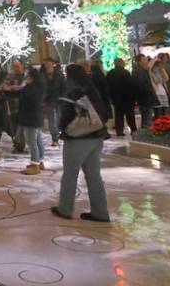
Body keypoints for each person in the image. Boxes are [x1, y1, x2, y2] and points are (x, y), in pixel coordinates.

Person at [52, 63, 112, 222]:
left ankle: (65, 209)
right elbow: (105, 112)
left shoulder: (72, 90)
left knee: (70, 174)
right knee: (94, 176)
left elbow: (65, 115)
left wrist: (62, 129)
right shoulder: (92, 88)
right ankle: (100, 212)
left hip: (78, 138)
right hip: (97, 136)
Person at [18, 66, 47, 174]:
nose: (26, 77)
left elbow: (22, 94)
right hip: (37, 116)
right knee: (38, 140)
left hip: (30, 117)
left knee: (32, 141)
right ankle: (40, 161)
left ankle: (35, 164)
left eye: (27, 75)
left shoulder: (31, 88)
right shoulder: (39, 86)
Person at [0, 60, 27, 153]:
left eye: (18, 66)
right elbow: (3, 86)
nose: (16, 68)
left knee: (23, 127)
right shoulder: (10, 76)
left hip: (25, 105)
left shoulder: (27, 76)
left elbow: (25, 86)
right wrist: (12, 88)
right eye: (15, 66)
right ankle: (18, 145)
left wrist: (16, 88)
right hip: (13, 105)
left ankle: (21, 144)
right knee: (14, 126)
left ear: (22, 66)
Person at [106, 58, 136, 137]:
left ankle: (119, 131)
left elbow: (108, 86)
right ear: (121, 63)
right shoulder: (126, 72)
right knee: (130, 115)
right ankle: (133, 130)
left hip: (116, 98)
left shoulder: (110, 73)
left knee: (119, 115)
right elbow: (131, 85)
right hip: (127, 98)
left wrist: (111, 97)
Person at [42, 58, 64, 146]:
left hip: (58, 99)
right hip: (48, 100)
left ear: (53, 64)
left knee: (59, 117)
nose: (47, 65)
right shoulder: (42, 75)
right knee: (51, 119)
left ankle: (58, 132)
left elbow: (63, 86)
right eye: (46, 63)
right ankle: (54, 137)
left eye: (49, 63)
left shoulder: (59, 74)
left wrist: (62, 96)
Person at [132, 54, 157, 128]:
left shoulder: (142, 70)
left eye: (146, 59)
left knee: (146, 118)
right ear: (139, 61)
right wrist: (150, 91)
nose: (146, 61)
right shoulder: (139, 71)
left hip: (145, 98)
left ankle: (145, 130)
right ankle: (145, 132)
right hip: (145, 99)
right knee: (147, 119)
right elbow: (141, 85)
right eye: (144, 59)